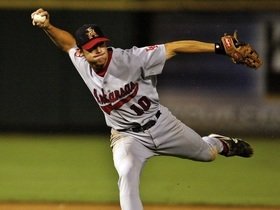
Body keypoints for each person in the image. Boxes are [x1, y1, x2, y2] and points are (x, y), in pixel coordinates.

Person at [31, 8, 253, 210]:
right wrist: (48, 27)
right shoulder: (80, 60)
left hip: (162, 124)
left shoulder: (131, 59)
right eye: (91, 48)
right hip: (127, 137)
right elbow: (67, 43)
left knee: (208, 154)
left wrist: (217, 48)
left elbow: (174, 47)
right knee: (126, 173)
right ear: (83, 53)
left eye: (100, 44)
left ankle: (217, 142)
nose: (98, 51)